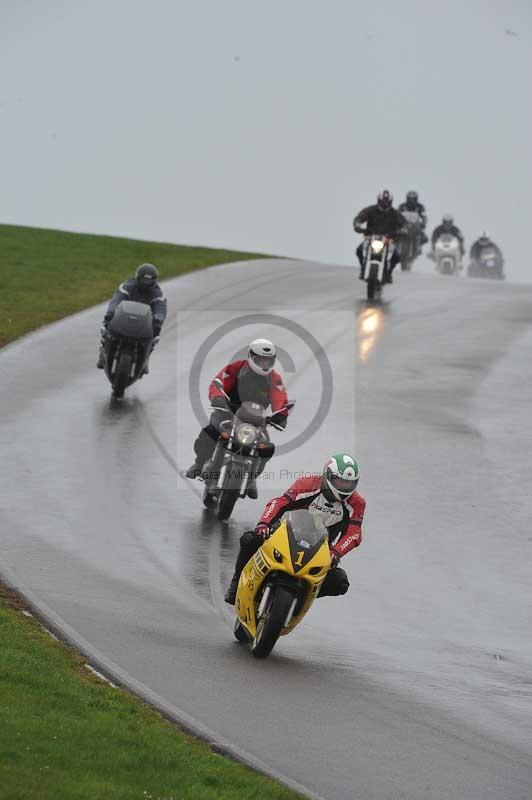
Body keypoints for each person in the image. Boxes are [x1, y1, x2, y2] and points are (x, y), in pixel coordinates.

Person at [224, 453, 365, 604]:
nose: (344, 486)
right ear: (328, 476)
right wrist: (264, 524)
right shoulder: (308, 484)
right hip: (286, 532)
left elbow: (354, 533)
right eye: (340, 481)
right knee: (249, 540)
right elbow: (279, 502)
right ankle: (237, 583)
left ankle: (301, 597)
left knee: (340, 583)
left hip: (321, 548)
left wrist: (336, 552)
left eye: (348, 483)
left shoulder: (357, 503)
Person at [186, 339, 290, 499]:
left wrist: (281, 415)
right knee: (210, 431)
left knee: (266, 447)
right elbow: (218, 382)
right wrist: (218, 398)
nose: (264, 364)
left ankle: (251, 478)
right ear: (251, 356)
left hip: (256, 421)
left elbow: (280, 398)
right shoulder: (236, 368)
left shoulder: (274, 379)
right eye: (260, 359)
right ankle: (199, 463)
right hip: (227, 412)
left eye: (267, 360)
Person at [96, 263, 167, 372]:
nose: (145, 283)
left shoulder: (158, 294)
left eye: (148, 281)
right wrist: (111, 313)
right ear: (137, 277)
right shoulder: (126, 286)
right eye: (144, 280)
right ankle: (103, 351)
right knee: (107, 327)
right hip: (124, 318)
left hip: (144, 322)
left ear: (154, 281)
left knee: (154, 337)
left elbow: (160, 308)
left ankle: (145, 360)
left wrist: (158, 321)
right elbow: (116, 300)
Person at [353, 190, 406, 283]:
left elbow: (404, 223)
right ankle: (363, 269)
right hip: (370, 238)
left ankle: (389, 273)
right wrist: (357, 224)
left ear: (390, 202)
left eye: (387, 202)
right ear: (378, 201)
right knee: (359, 251)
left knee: (397, 257)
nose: (385, 204)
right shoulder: (371, 210)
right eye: (383, 202)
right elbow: (360, 217)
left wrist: (403, 230)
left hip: (388, 239)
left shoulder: (395, 213)